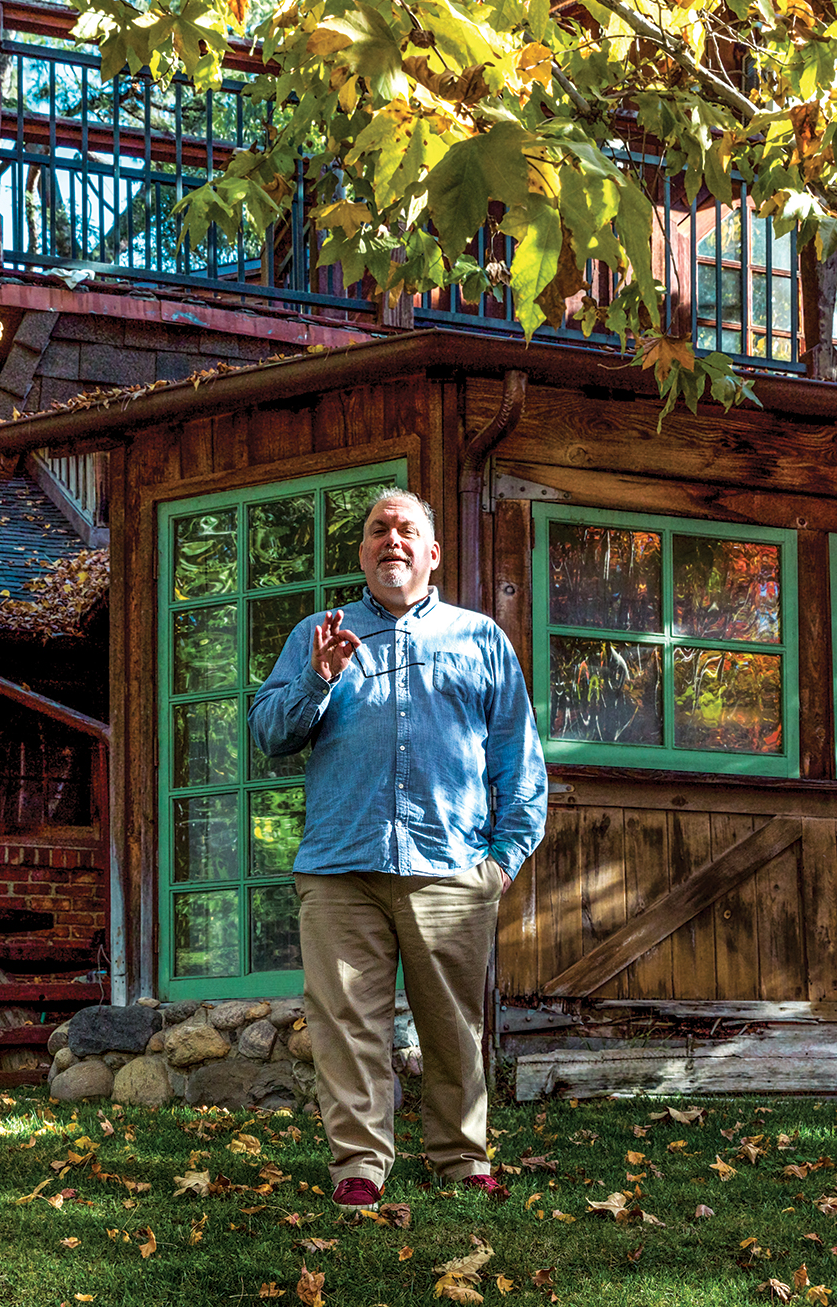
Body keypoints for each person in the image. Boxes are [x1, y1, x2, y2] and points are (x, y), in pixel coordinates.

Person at [249, 487, 547, 1211]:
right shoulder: (318, 634)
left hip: (451, 867)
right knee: (347, 1024)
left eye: (407, 529)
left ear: (433, 552)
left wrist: (501, 859)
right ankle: (359, 1164)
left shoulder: (481, 640)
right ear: (362, 552)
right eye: (379, 529)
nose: (393, 540)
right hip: (339, 868)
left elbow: (519, 760)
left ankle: (460, 1155)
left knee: (453, 1026)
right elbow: (268, 733)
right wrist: (318, 680)